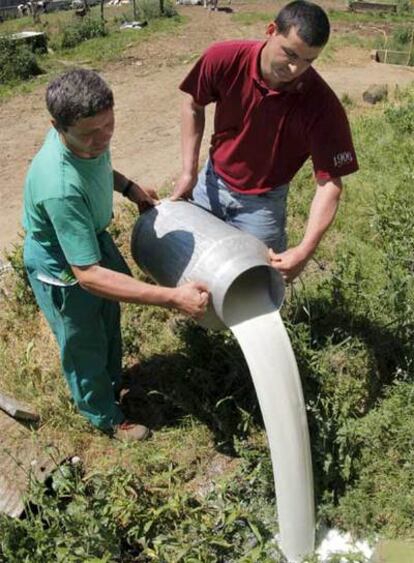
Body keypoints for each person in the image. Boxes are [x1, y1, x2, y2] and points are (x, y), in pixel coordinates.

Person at [23, 69, 209, 442]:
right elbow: (88, 276)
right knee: (83, 343)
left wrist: (128, 187)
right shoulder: (59, 187)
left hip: (91, 239)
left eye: (108, 125)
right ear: (57, 126)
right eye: (91, 133)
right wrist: (173, 297)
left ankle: (112, 381)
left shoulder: (86, 136)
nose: (103, 138)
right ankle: (103, 415)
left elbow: (99, 165)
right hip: (64, 269)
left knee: (108, 318)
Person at [171, 0, 358, 282]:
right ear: (271, 30)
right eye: (290, 54)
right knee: (194, 265)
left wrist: (304, 251)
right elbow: (193, 105)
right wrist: (188, 172)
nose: (295, 69)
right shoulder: (224, 58)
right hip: (211, 182)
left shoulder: (321, 105)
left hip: (264, 203)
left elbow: (330, 184)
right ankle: (202, 323)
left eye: (308, 61)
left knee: (260, 283)